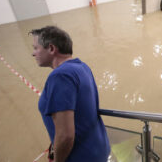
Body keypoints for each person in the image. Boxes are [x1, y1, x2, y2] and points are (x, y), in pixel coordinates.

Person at [30, 26, 110, 162]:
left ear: (51, 48)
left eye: (36, 48)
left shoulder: (60, 76)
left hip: (81, 156)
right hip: (98, 149)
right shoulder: (81, 67)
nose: (33, 53)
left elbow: (65, 136)